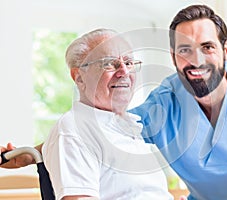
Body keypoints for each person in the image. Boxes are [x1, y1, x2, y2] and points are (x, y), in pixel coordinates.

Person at [2, 4, 227, 200]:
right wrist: (33, 153)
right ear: (173, 57)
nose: (196, 60)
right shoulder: (165, 103)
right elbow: (100, 129)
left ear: (226, 49)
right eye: (185, 50)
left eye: (207, 47)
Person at [2, 29, 173, 200]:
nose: (124, 72)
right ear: (79, 77)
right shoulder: (74, 131)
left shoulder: (127, 126)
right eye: (109, 63)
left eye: (128, 63)